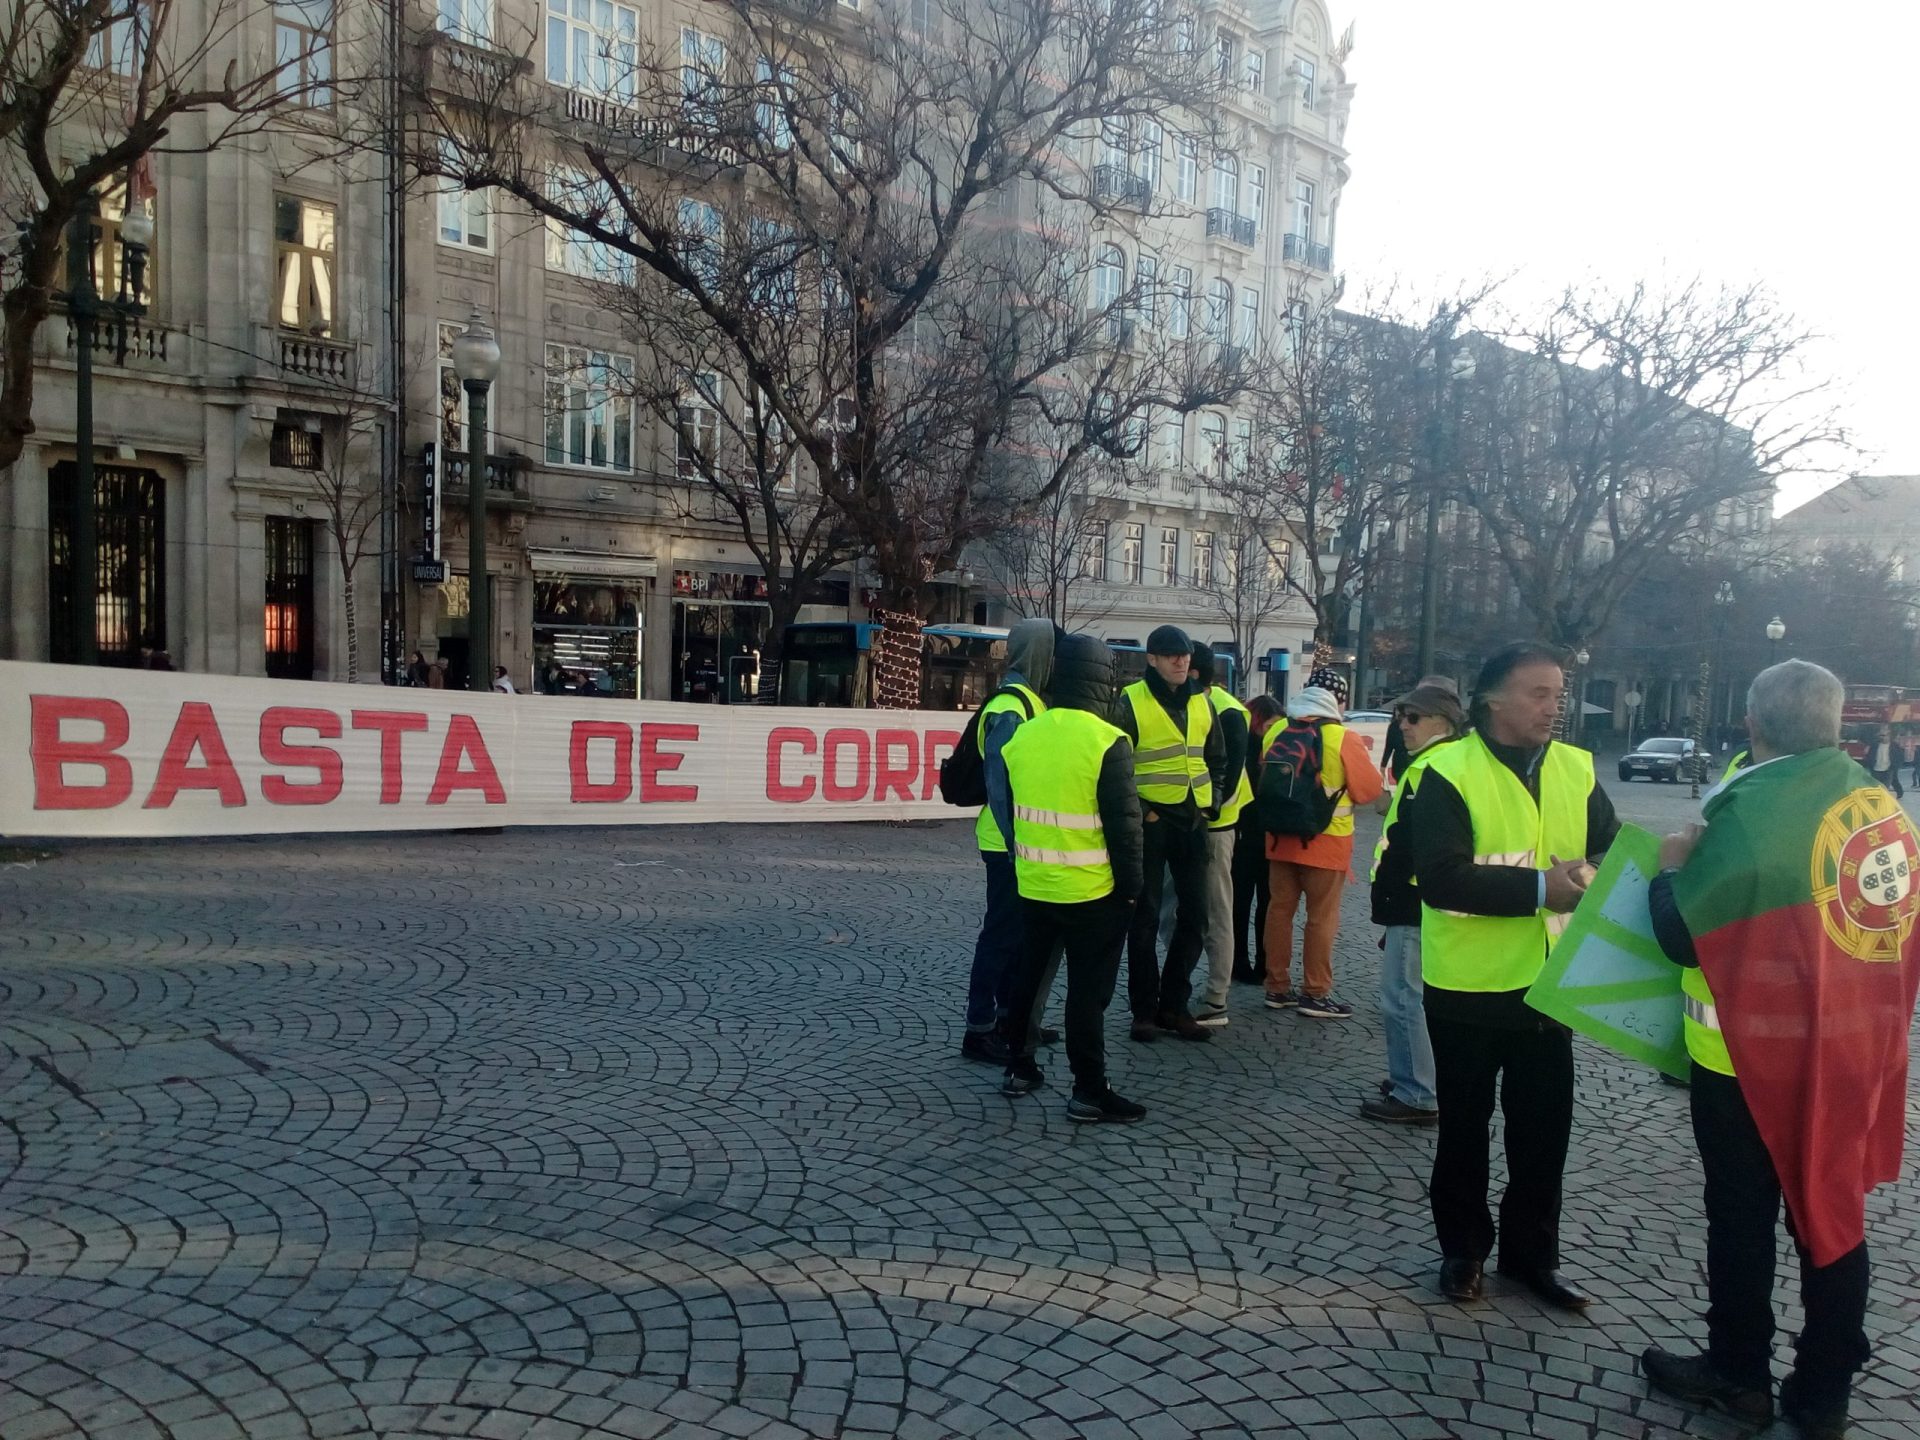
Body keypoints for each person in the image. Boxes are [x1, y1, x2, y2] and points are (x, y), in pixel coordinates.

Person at [1641, 660, 1920, 1440]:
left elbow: (1680, 931)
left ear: (1754, 726)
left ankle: (1738, 1373)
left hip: (1748, 1061)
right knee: (1833, 1212)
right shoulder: (1881, 806)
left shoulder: (1748, 807)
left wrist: (1668, 872)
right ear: (1837, 726)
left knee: (1741, 1216)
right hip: (1854, 1051)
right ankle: (1824, 1390)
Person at [1398, 641, 1618, 1309]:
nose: (1555, 706)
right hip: (1467, 986)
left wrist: (1600, 871)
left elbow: (1607, 845)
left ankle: (1532, 1258)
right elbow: (1438, 878)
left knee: (1543, 1134)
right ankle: (1463, 1250)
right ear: (1494, 701)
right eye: (1539, 694)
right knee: (1464, 1131)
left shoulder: (1577, 769)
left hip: (1550, 987)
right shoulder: (1447, 771)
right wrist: (1539, 890)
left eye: (1558, 694)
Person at [995, 633, 1148, 1123]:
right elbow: (1125, 830)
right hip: (1093, 891)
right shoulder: (1109, 742)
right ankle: (1088, 1090)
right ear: (1105, 680)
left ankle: (1018, 1067)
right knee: (1087, 993)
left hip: (1035, 883)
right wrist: (1131, 890)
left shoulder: (1026, 734)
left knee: (1028, 980)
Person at [1114, 624, 1225, 1043]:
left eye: (1185, 655)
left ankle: (1173, 1005)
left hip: (1193, 821)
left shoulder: (1201, 702)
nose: (1182, 661)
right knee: (1143, 918)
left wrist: (1210, 802)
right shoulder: (1130, 701)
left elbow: (1217, 758)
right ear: (1152, 659)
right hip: (1153, 822)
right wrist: (1145, 812)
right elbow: (1117, 764)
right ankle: (1144, 1011)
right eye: (1172, 655)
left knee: (1196, 916)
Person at [1362, 681, 1466, 1124]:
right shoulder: (1443, 761)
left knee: (1403, 998)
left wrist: (1388, 897)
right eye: (1400, 717)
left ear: (1441, 722)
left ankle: (1416, 1092)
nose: (1401, 725)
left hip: (1413, 896)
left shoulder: (1432, 768)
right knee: (1419, 997)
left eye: (1412, 718)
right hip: (1425, 896)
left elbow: (1407, 842)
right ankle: (1419, 1078)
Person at [1261, 667, 1384, 1020]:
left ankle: (1276, 987)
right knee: (1321, 918)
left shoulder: (1278, 730)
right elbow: (1368, 790)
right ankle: (1315, 993)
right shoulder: (1342, 737)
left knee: (1279, 912)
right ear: (1338, 700)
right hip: (1325, 842)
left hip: (1279, 838)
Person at [961, 618, 1055, 1064]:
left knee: (1015, 936)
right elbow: (1000, 785)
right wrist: (1019, 840)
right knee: (1001, 936)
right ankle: (979, 1029)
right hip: (1006, 843)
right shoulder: (1012, 707)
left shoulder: (1026, 701)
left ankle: (1008, 1018)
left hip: (1013, 840)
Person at [1187, 642, 1252, 1027]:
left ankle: (1216, 998)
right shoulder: (1193, 703)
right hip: (1185, 822)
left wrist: (1199, 811)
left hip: (1214, 824)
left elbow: (1224, 781)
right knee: (1172, 910)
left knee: (1216, 911)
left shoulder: (1228, 712)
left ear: (1193, 674)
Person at [1231, 694, 1284, 986]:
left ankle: (1263, 962)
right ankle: (1240, 961)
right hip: (1245, 838)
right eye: (1268, 725)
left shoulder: (1265, 751)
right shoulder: (1250, 751)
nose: (1272, 731)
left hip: (1259, 837)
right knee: (1242, 903)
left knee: (1265, 903)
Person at [1870, 724, 1903, 799]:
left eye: (1884, 735)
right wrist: (1870, 765)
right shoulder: (1875, 745)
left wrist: (1895, 766)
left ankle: (1894, 796)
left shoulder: (1894, 746)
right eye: (1881, 735)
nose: (1882, 737)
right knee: (1876, 786)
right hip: (1876, 769)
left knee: (1885, 787)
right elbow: (1870, 756)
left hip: (1888, 770)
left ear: (1889, 736)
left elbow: (1900, 757)